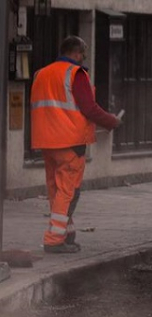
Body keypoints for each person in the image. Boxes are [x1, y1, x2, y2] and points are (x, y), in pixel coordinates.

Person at [30, 36, 121, 254]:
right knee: (68, 191)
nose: (83, 60)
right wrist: (112, 121)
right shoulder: (76, 74)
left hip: (46, 140)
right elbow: (89, 108)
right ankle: (54, 239)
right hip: (70, 142)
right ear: (77, 53)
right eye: (83, 55)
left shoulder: (41, 74)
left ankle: (66, 232)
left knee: (56, 189)